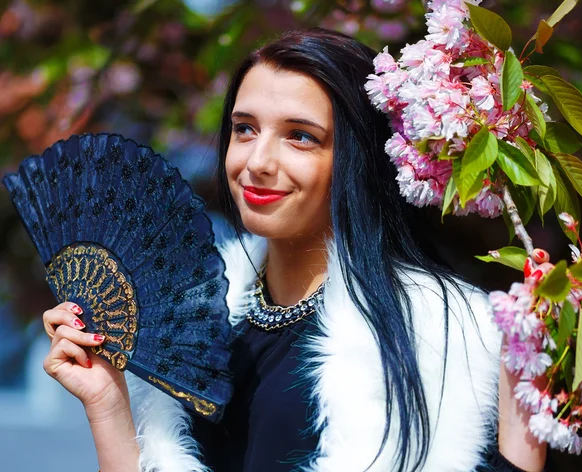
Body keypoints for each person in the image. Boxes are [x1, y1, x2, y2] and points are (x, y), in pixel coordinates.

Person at [41, 28, 548, 472]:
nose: (257, 161)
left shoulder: (442, 329)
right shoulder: (191, 322)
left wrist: (526, 385)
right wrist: (107, 404)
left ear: (357, 160)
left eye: (300, 137)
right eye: (244, 129)